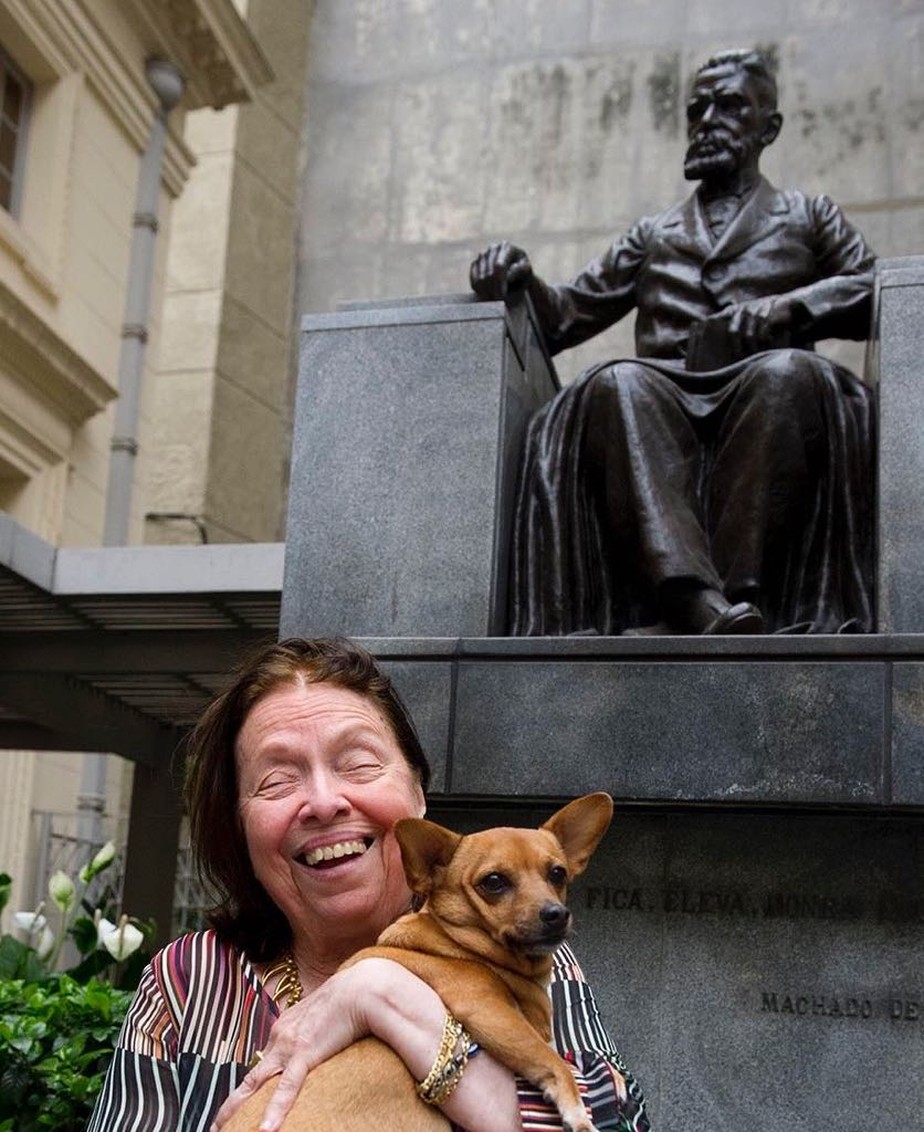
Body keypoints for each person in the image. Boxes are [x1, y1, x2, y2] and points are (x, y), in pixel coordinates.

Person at [87, 637, 648, 1132]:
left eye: (358, 764)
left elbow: (617, 1122)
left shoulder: (519, 949)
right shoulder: (188, 982)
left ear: (418, 797)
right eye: (278, 779)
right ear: (239, 824)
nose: (325, 803)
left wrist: (384, 998)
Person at [471, 49, 876, 637]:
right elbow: (562, 318)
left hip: (762, 390)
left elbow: (877, 288)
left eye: (730, 105)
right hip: (662, 404)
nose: (708, 118)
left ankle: (742, 599)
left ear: (769, 127)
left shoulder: (808, 216)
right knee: (617, 380)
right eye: (697, 108)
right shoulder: (654, 233)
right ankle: (693, 601)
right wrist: (517, 275)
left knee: (788, 374)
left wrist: (787, 308)